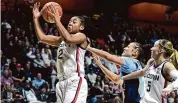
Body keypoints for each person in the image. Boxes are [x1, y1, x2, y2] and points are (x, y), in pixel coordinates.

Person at [32, 2, 88, 103]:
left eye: (74, 22)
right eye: (70, 21)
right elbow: (42, 37)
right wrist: (36, 19)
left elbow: (68, 38)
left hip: (74, 80)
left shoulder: (82, 37)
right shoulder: (60, 40)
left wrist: (57, 20)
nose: (70, 23)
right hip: (61, 83)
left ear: (81, 27)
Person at [93, 39, 178, 103]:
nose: (151, 49)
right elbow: (141, 73)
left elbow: (109, 57)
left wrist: (170, 87)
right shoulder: (151, 62)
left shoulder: (167, 65)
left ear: (161, 50)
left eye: (154, 46)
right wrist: (123, 78)